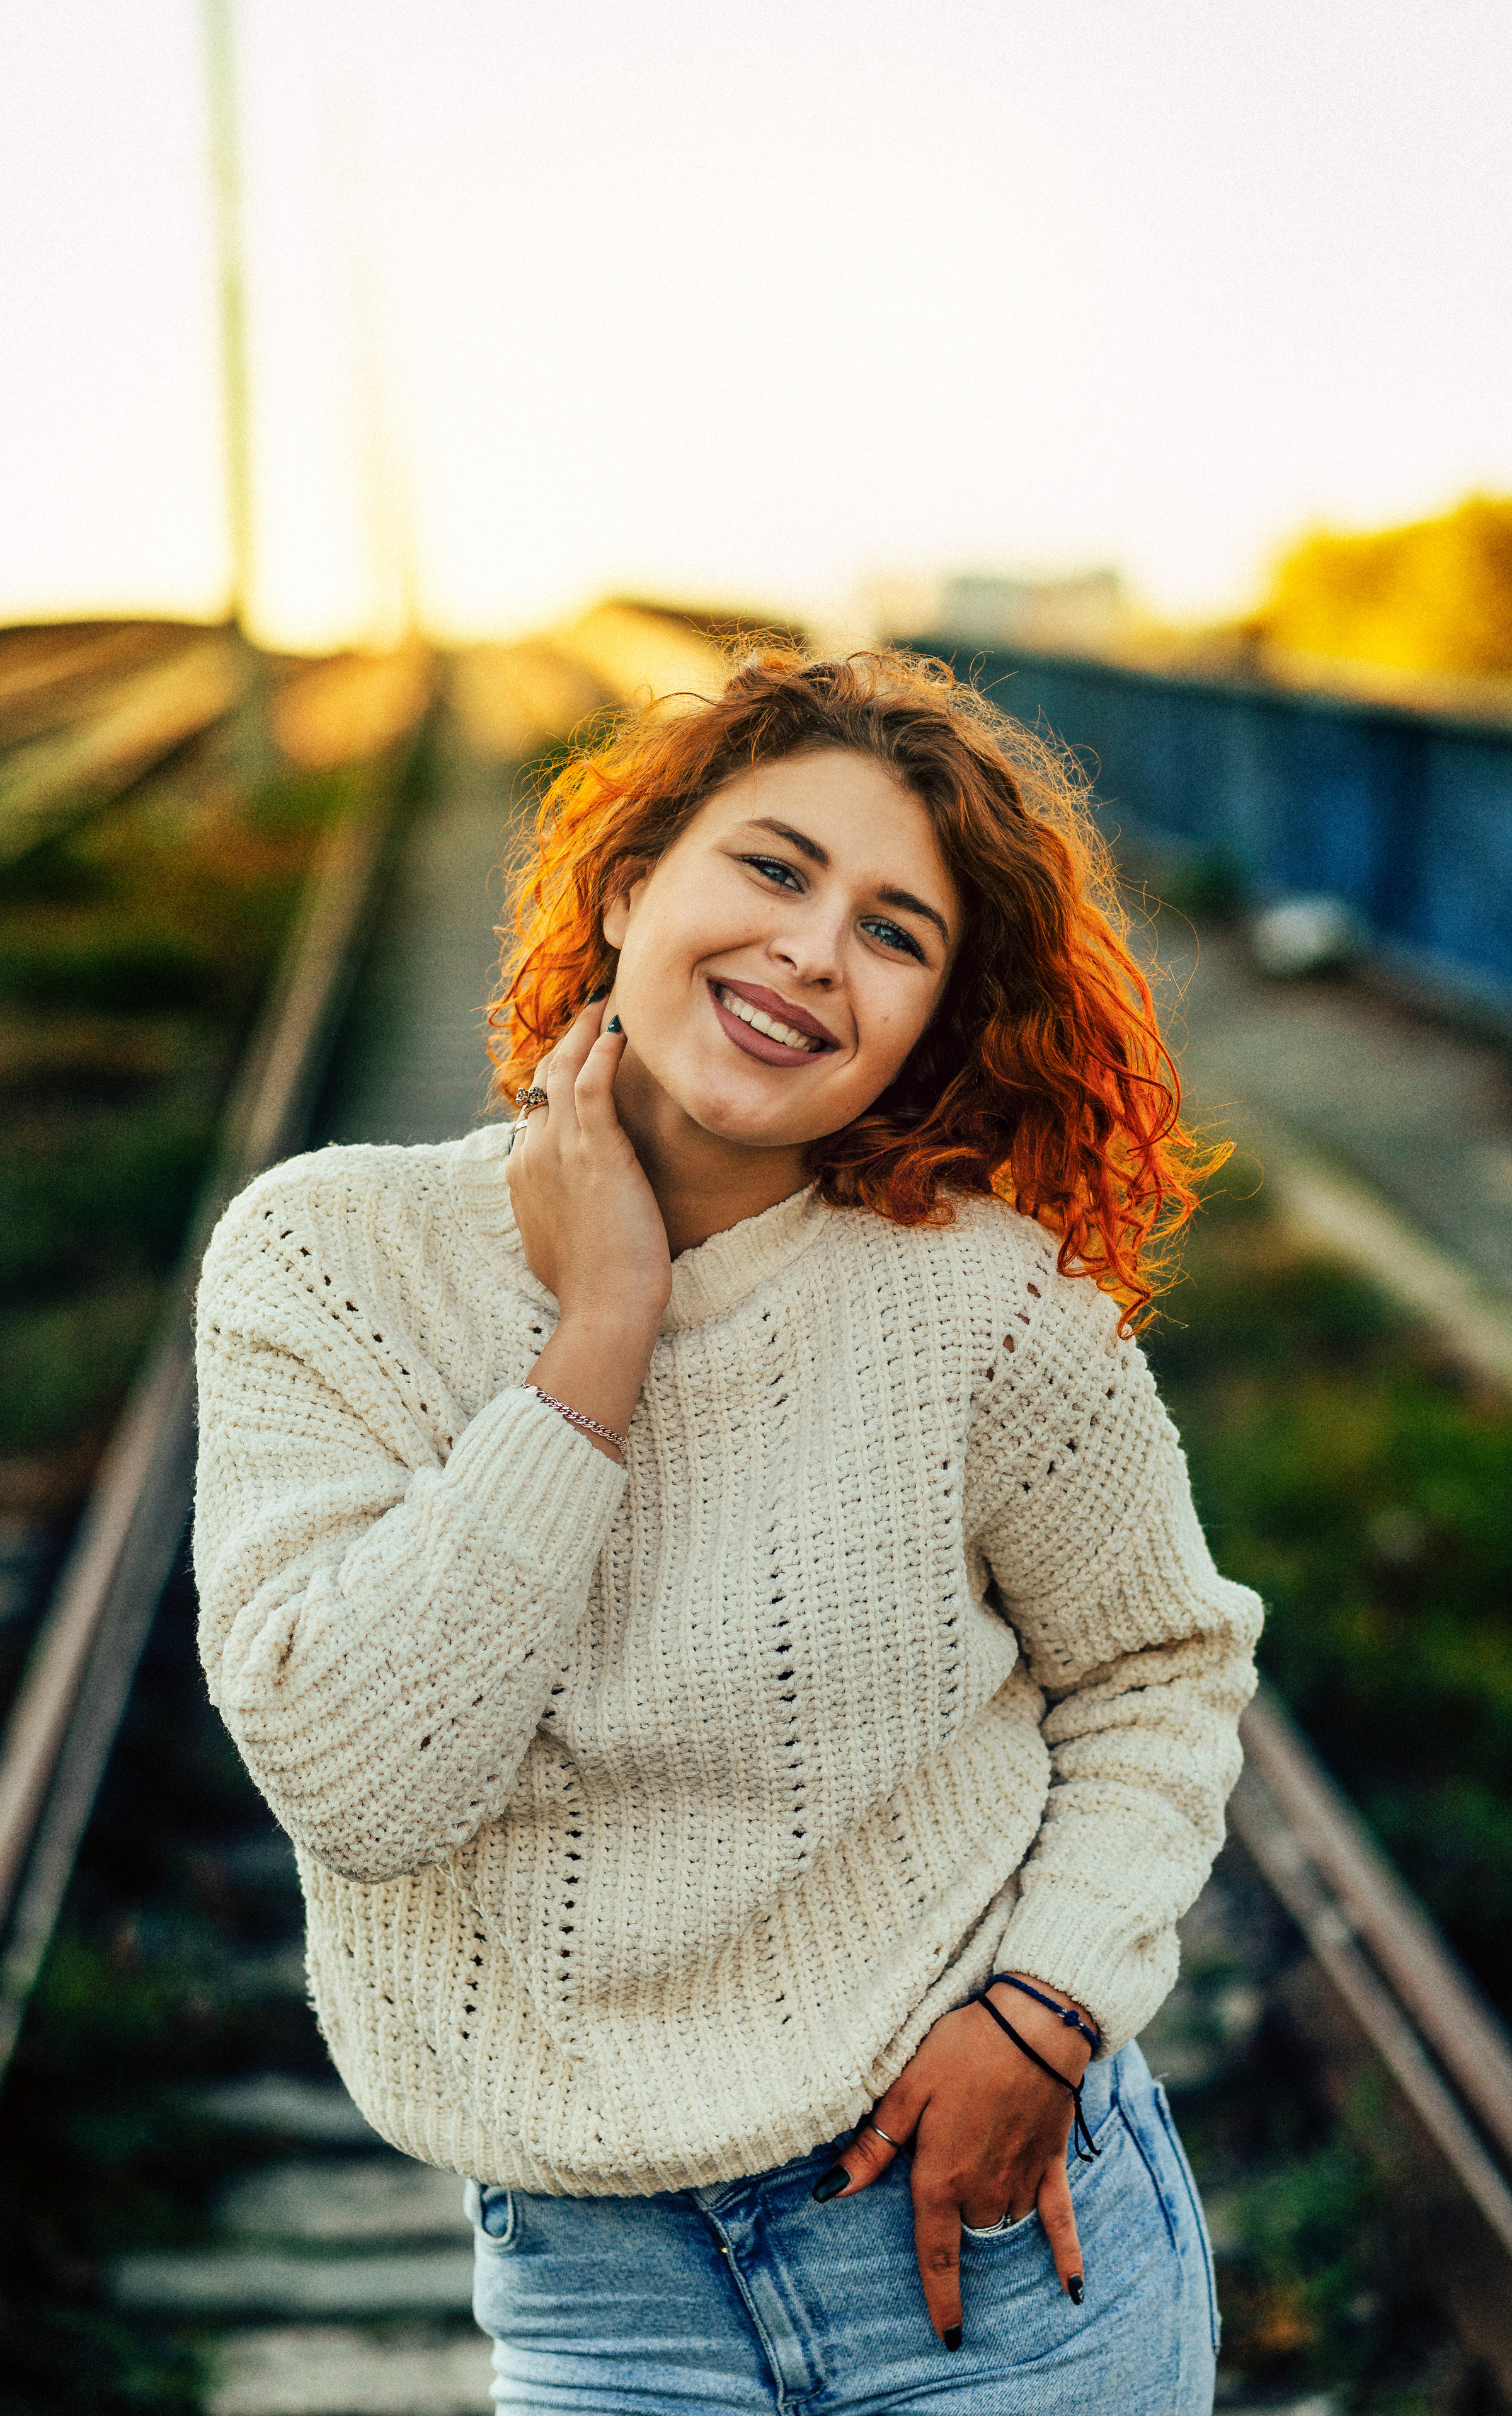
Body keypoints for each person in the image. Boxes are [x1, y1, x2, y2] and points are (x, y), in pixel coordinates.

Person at [193, 648, 1260, 2413]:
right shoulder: (331, 1259)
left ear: (931, 1023)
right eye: (773, 868)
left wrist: (1049, 2010)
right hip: (602, 2303)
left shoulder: (990, 1308)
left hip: (998, 2250)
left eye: (894, 934)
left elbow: (1161, 1672)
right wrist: (600, 1336)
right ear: (629, 886)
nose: (814, 951)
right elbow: (364, 1782)